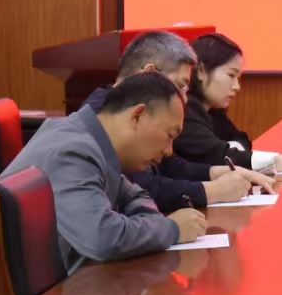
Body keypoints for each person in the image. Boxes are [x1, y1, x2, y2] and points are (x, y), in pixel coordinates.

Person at [3, 71, 207, 272]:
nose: (169, 151)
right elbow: (103, 237)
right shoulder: (72, 151)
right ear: (138, 116)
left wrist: (152, 226)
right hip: (36, 293)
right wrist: (172, 229)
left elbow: (137, 196)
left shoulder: (94, 142)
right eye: (169, 135)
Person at [84, 31, 272, 212]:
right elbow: (143, 190)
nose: (184, 99)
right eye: (180, 86)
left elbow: (168, 165)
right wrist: (212, 191)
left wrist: (216, 172)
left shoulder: (126, 107)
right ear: (149, 74)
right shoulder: (103, 116)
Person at [175, 33, 282, 174]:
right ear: (201, 71)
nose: (237, 86)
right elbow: (220, 157)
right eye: (231, 75)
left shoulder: (213, 109)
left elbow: (241, 139)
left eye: (238, 78)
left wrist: (234, 150)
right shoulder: (183, 110)